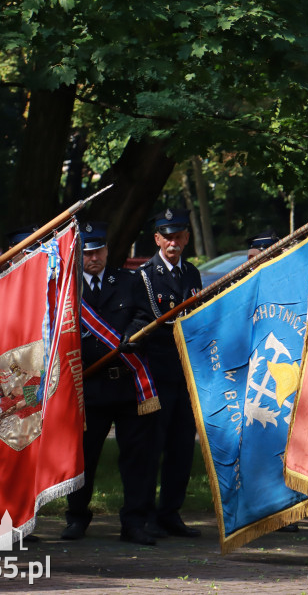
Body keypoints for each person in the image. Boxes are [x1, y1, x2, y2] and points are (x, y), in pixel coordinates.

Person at [60, 222, 160, 545]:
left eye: (99, 251)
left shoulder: (128, 281)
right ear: (78, 255)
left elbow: (148, 317)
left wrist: (135, 331)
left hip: (129, 385)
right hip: (89, 388)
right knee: (83, 457)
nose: (94, 258)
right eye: (87, 253)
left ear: (107, 250)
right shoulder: (67, 288)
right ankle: (76, 517)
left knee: (137, 458)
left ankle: (135, 522)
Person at [129, 208, 203, 538]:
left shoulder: (192, 274)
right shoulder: (144, 276)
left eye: (179, 236)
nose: (173, 242)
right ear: (157, 239)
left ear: (187, 238)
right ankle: (141, 515)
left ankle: (170, 512)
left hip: (184, 375)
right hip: (155, 375)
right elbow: (136, 323)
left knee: (181, 447)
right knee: (150, 448)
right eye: (167, 237)